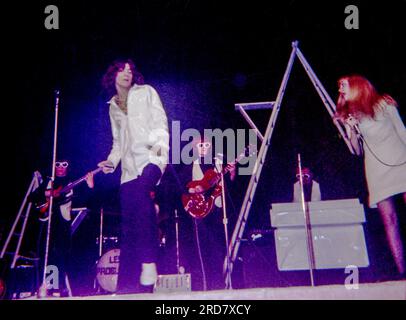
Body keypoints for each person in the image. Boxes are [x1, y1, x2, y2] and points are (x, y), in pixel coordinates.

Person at [98, 59, 169, 293]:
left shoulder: (147, 92)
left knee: (143, 208)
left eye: (130, 70)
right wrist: (111, 161)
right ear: (113, 74)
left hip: (149, 161)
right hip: (127, 172)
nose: (127, 73)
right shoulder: (112, 107)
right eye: (122, 69)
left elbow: (161, 127)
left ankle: (149, 264)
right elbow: (118, 142)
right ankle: (128, 284)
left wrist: (158, 161)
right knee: (129, 226)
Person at [335, 74, 406, 276]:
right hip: (376, 170)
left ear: (358, 86)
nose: (340, 90)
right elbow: (356, 151)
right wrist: (350, 129)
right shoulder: (352, 114)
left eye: (344, 86)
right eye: (339, 87)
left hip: (402, 161)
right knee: (389, 221)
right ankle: (402, 274)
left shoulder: (384, 104)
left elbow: (402, 131)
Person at [30, 159, 94, 297]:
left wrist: (89, 185)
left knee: (61, 254)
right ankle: (48, 287)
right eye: (57, 164)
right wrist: (49, 193)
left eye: (64, 164)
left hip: (63, 223)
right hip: (48, 222)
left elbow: (85, 199)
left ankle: (58, 289)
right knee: (48, 255)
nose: (60, 167)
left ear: (68, 166)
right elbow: (34, 196)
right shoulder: (49, 181)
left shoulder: (71, 182)